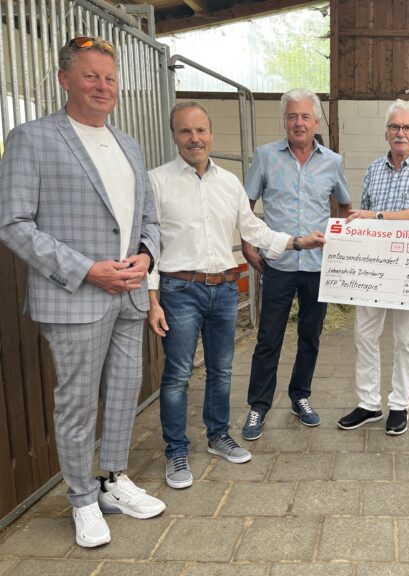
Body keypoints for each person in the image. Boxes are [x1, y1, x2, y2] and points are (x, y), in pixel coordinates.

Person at [0, 37, 165, 548]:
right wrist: (87, 270)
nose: (102, 86)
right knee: (76, 403)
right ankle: (80, 498)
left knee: (122, 395)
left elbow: (149, 220)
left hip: (130, 293)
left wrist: (146, 254)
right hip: (76, 296)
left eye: (110, 78)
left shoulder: (129, 144)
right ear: (64, 79)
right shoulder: (33, 138)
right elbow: (13, 222)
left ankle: (113, 479)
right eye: (90, 76)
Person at [147, 102, 325, 489]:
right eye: (185, 131)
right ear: (174, 135)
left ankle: (217, 435)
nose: (195, 139)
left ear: (211, 134)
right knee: (178, 374)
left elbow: (253, 229)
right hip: (180, 289)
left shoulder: (228, 182)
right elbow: (147, 244)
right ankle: (177, 449)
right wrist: (152, 298)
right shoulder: (156, 182)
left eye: (201, 131)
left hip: (225, 288)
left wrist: (296, 242)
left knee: (222, 369)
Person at [241, 88, 351, 440]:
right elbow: (245, 207)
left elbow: (346, 208)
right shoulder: (266, 156)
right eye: (292, 116)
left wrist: (349, 246)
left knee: (310, 337)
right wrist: (247, 246)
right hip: (278, 263)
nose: (298, 123)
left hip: (319, 266)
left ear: (316, 122)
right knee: (268, 337)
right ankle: (258, 406)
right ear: (284, 121)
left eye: (305, 116)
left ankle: (300, 395)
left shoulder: (332, 161)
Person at [337, 99, 409, 435]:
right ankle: (368, 403)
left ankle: (399, 404)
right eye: (395, 127)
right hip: (374, 266)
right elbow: (363, 217)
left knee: (405, 339)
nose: (401, 132)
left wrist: (376, 217)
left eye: (407, 127)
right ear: (386, 133)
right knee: (365, 335)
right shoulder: (372, 170)